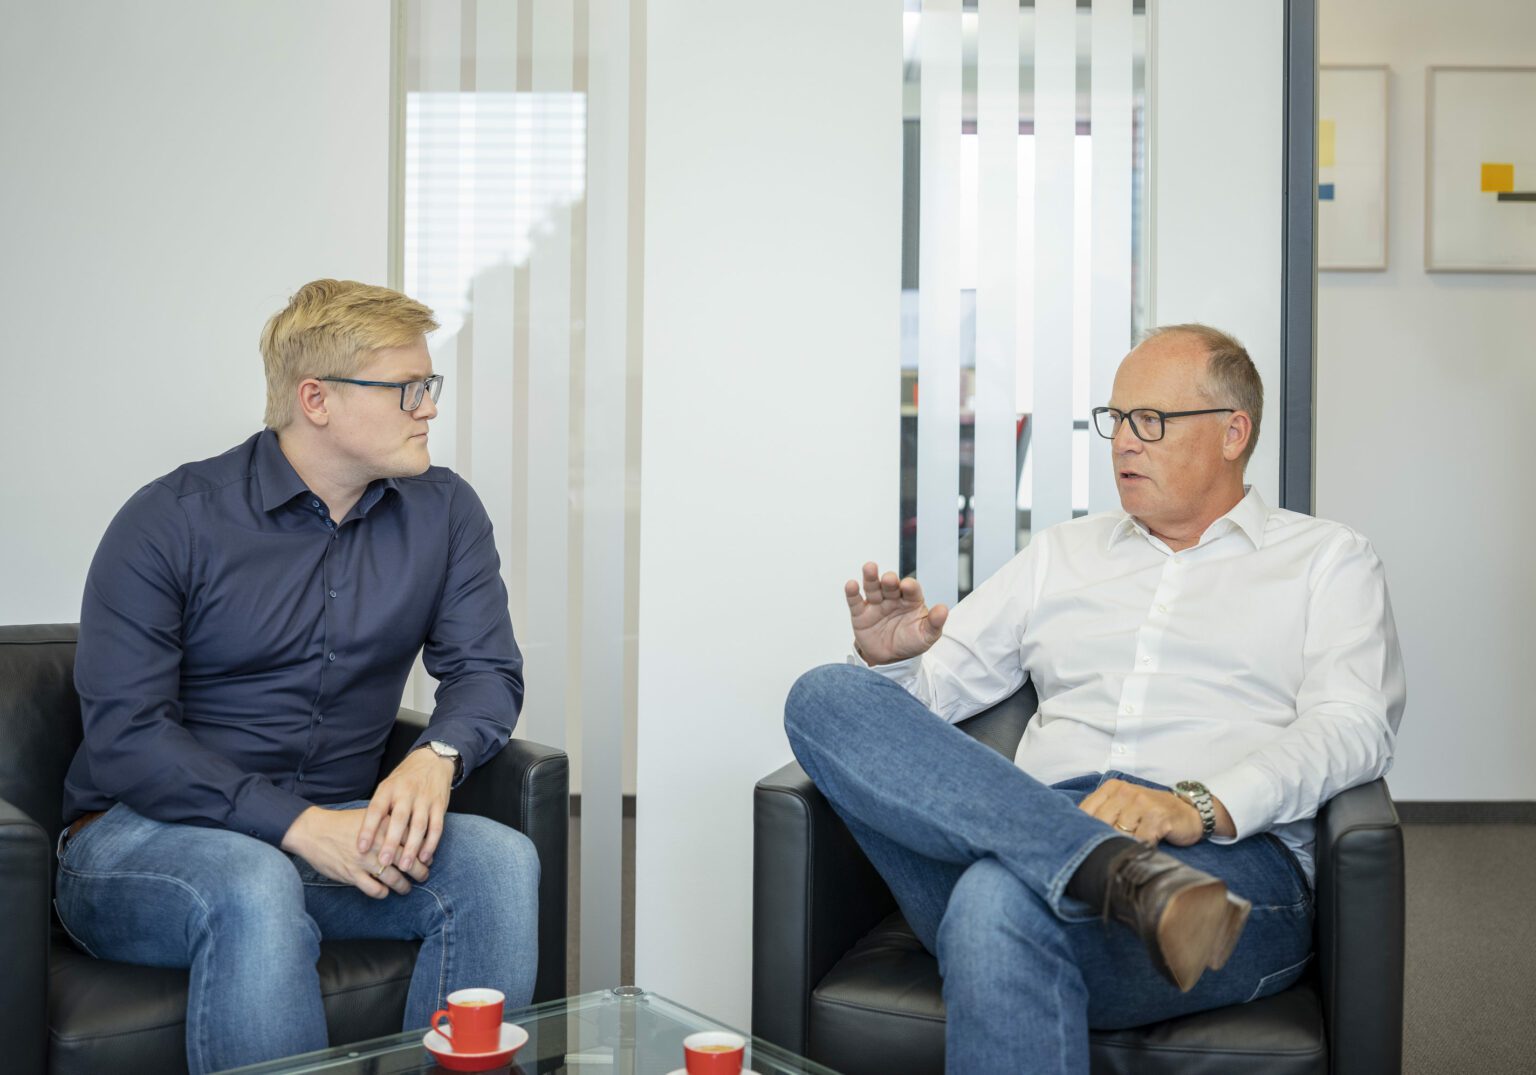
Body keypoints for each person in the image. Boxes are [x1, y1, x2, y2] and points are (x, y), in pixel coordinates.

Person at [784, 324, 1405, 1074]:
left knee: (993, 900)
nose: (1123, 443)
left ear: (1233, 432)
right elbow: (924, 705)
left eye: (1152, 420)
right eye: (1116, 419)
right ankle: (1107, 868)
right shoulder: (1061, 553)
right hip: (1028, 828)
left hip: (1220, 870)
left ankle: (1119, 873)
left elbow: (1354, 725)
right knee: (826, 693)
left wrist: (1200, 805)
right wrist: (894, 665)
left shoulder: (1327, 560)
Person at [56, 280, 539, 1075]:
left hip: (336, 832)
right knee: (253, 879)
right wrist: (299, 824)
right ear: (316, 399)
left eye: (430, 385)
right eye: (407, 389)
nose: (428, 407)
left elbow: (485, 669)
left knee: (497, 862)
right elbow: (127, 738)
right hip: (140, 837)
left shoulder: (445, 512)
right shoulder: (170, 519)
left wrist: (437, 755)